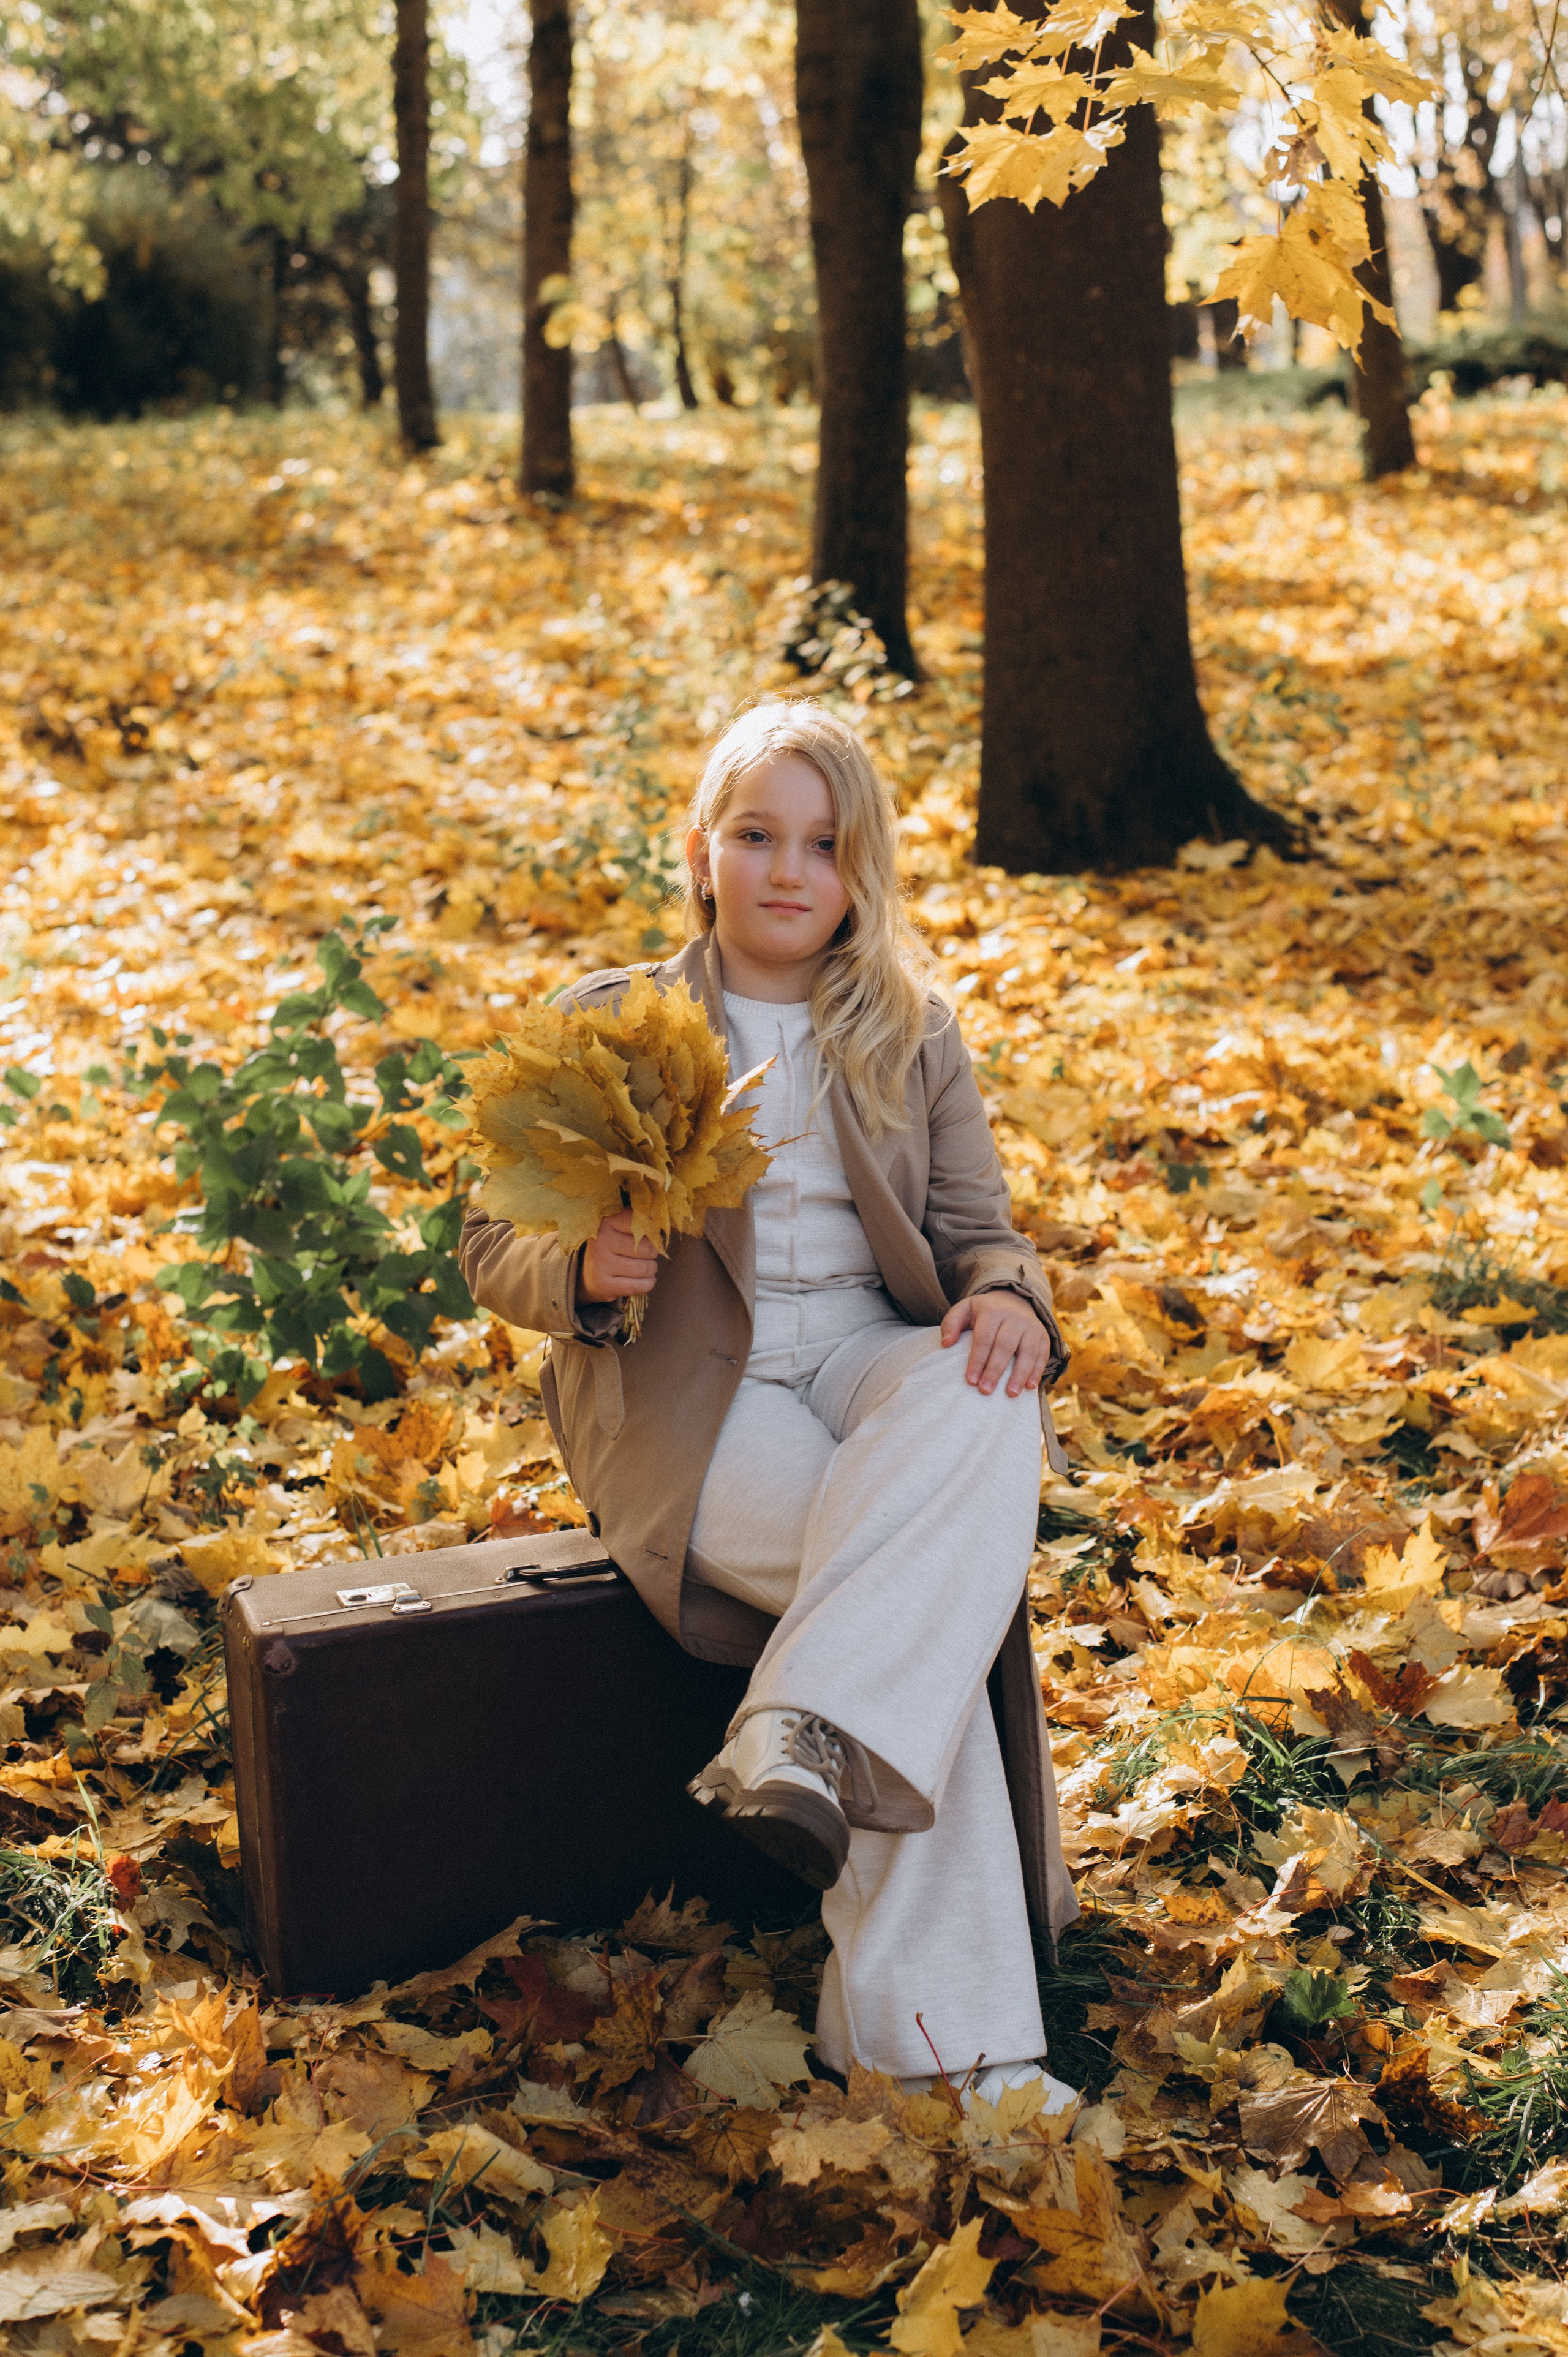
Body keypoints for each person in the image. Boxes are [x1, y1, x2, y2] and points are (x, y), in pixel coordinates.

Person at [459, 698, 1079, 2108]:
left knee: (985, 1397)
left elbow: (981, 1235)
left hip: (867, 1355)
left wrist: (1005, 1300)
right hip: (689, 1394)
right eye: (755, 836)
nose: (786, 870)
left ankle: (797, 1727)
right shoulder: (613, 1020)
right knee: (908, 1612)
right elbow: (488, 1243)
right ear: (701, 851)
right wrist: (585, 1273)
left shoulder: (905, 1027)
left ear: (860, 871)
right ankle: (953, 2056)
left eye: (821, 843)